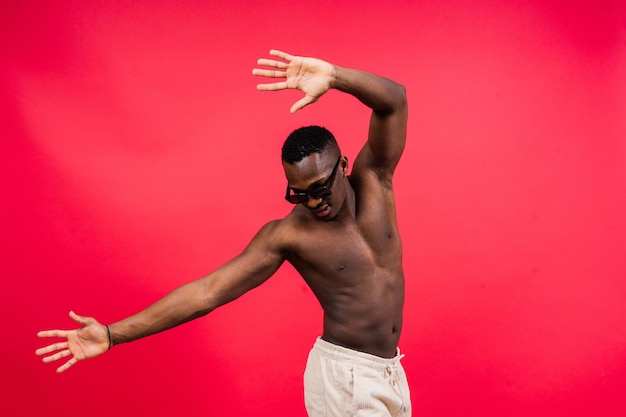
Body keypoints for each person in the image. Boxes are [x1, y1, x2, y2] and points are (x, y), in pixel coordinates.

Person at [36, 49, 410, 417]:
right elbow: (207, 291)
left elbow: (394, 100)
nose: (312, 203)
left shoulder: (376, 179)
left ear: (343, 165)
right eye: (299, 194)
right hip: (345, 379)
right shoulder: (288, 235)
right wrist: (112, 333)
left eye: (320, 189)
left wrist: (333, 75)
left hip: (391, 372)